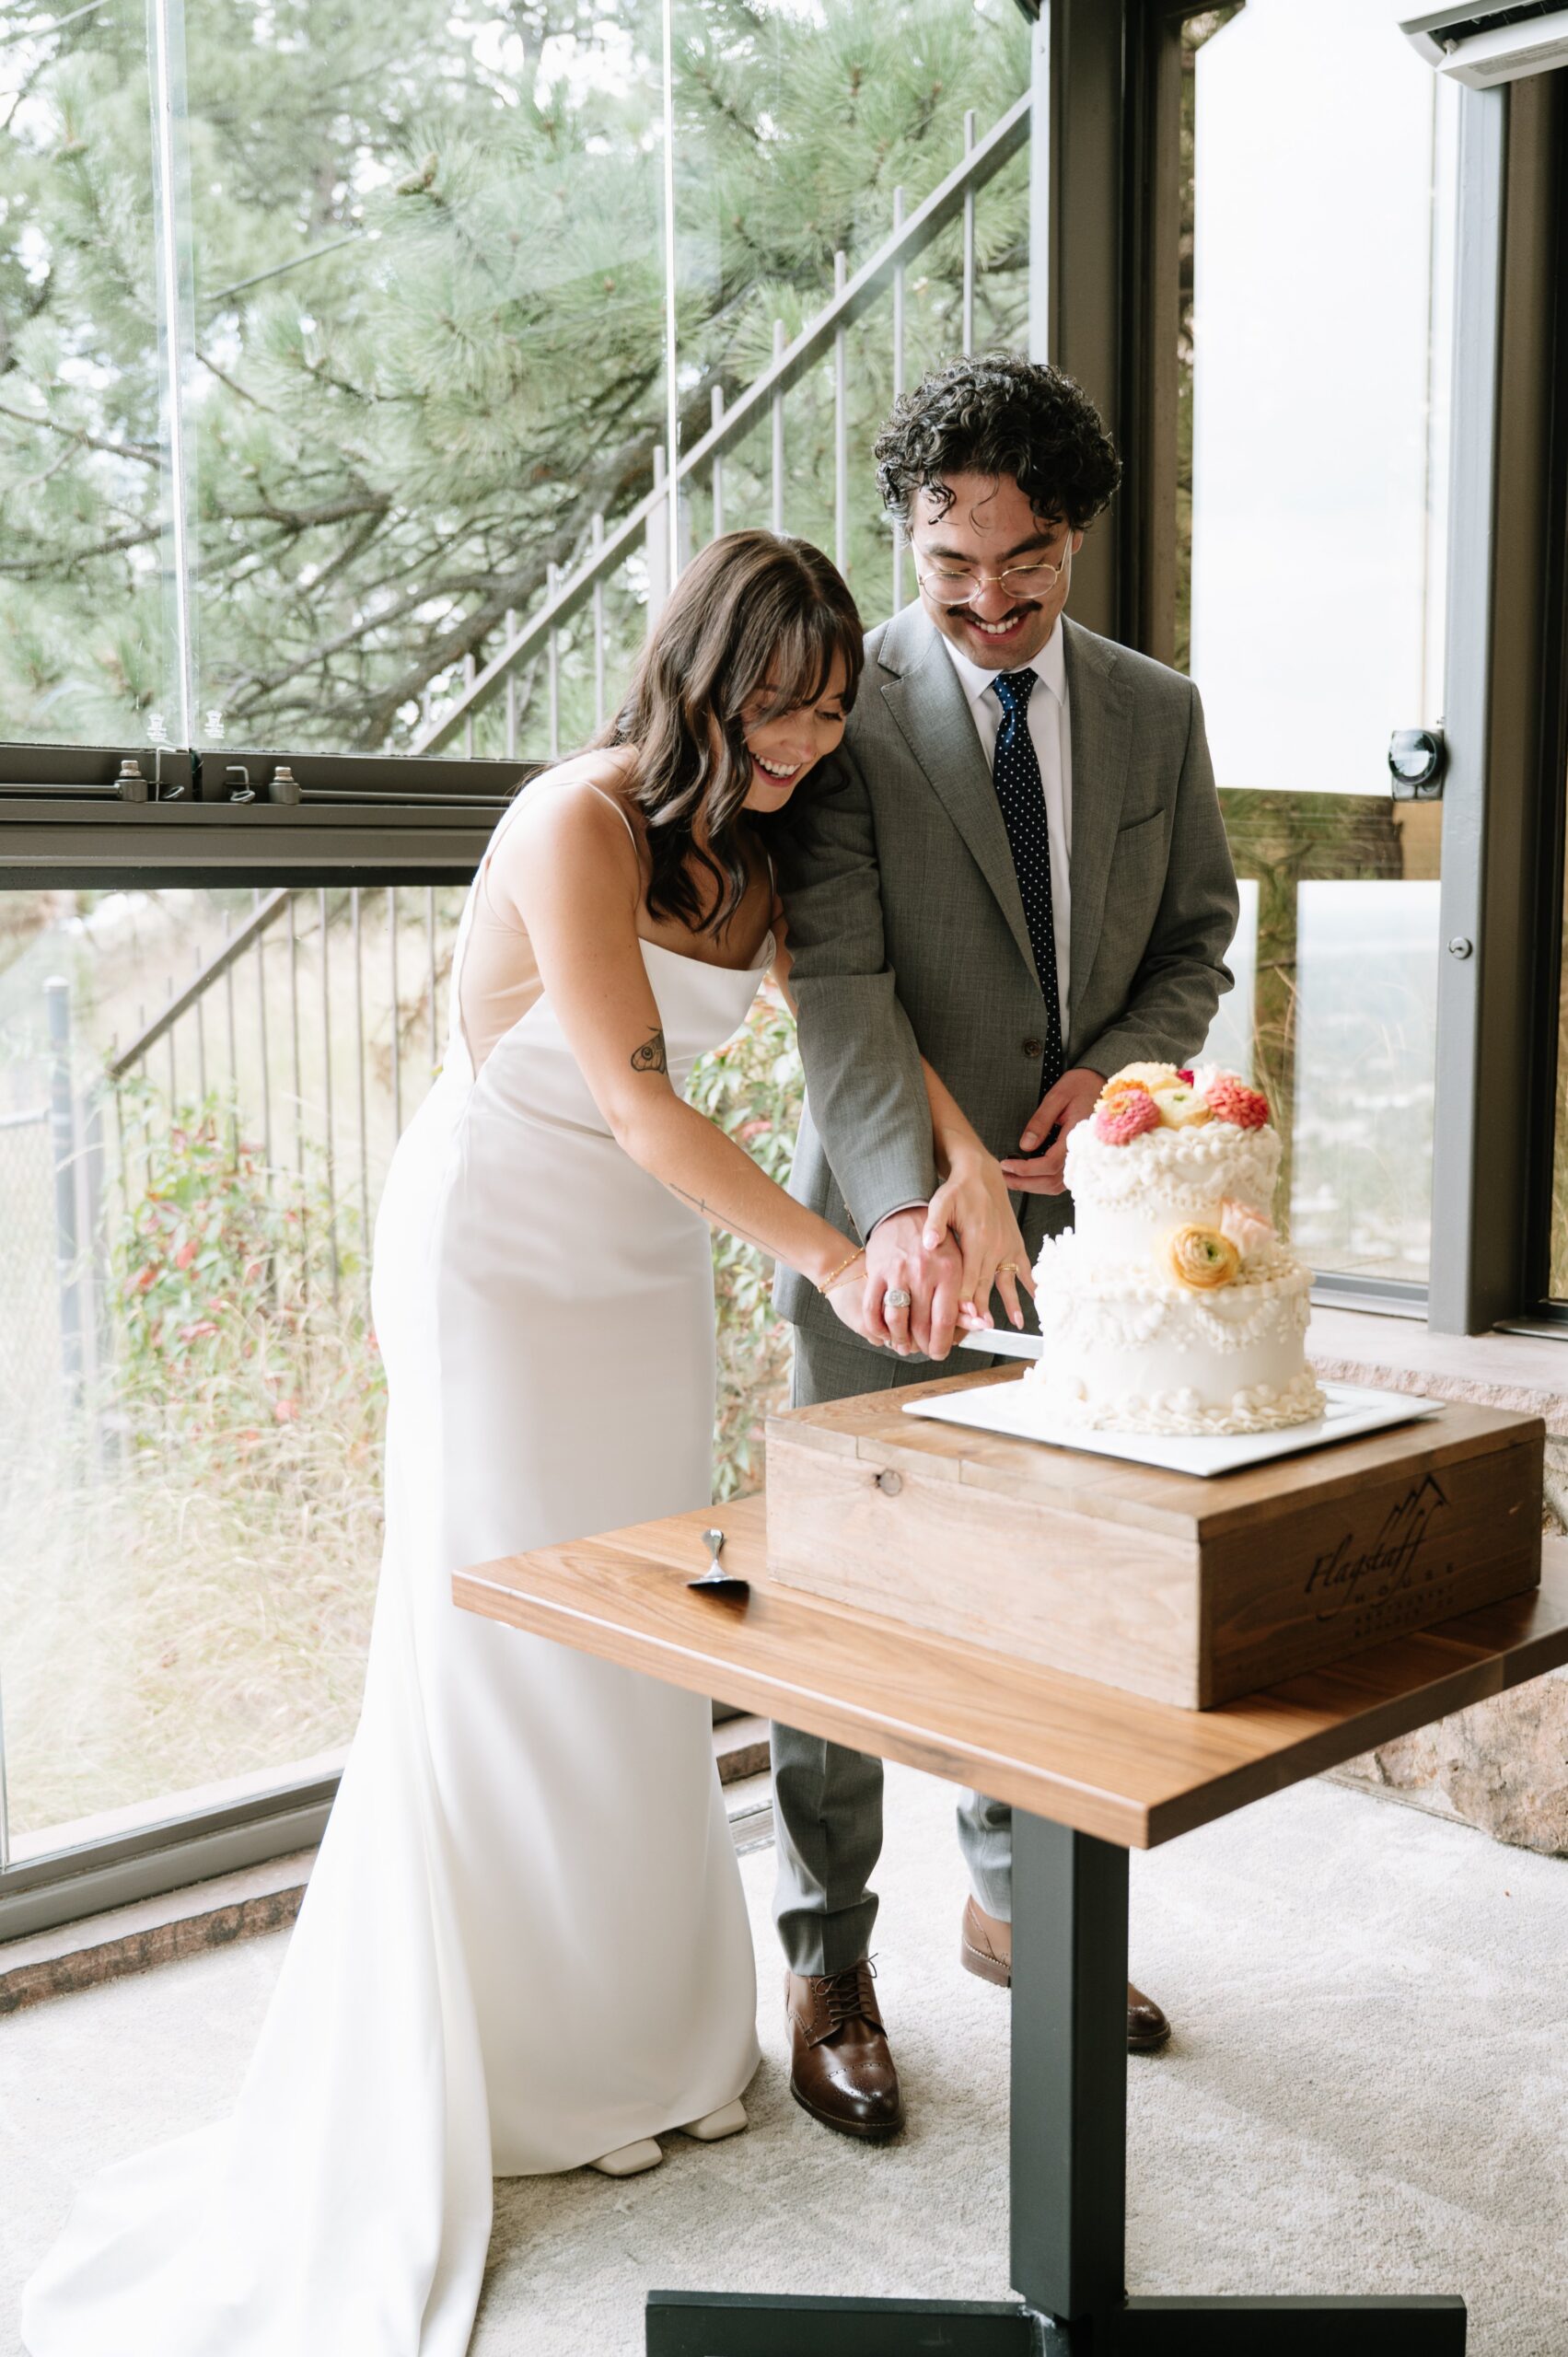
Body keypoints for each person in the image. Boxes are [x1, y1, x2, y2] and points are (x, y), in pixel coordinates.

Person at [21, 530, 1026, 2357]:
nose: (799, 749)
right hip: (501, 1248)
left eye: (820, 722)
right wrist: (831, 1248)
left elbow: (843, 1018)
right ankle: (507, 2056)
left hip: (642, 1266)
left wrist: (953, 1160)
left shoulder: (778, 847)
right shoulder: (583, 819)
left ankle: (635, 2042)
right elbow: (639, 1098)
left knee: (640, 1642)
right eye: (773, 714)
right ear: (702, 677)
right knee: (495, 1632)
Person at [771, 354, 1241, 2142]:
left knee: (1046, 1603)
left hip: (1083, 1220)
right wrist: (908, 1200)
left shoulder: (1156, 710)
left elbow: (1195, 933)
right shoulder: (853, 702)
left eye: (1021, 563)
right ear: (911, 536)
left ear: (1075, 537)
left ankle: (1014, 1902)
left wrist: (1112, 1084)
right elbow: (837, 972)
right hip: (885, 1218)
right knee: (845, 1607)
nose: (981, 601)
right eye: (946, 561)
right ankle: (829, 1954)